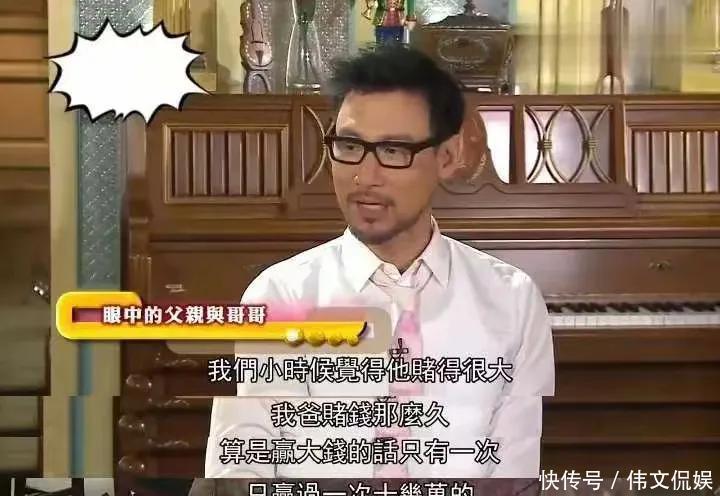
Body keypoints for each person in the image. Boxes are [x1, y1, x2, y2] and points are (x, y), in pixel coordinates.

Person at [205, 44, 555, 479]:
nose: (364, 176)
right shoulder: (279, 295)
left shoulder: (513, 301)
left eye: (393, 151)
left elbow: (513, 472)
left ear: (447, 157)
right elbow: (240, 468)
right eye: (349, 145)